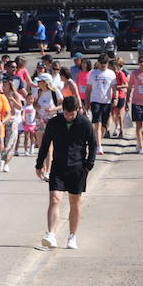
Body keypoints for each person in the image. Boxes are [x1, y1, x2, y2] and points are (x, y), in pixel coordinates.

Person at [36, 96, 97, 250]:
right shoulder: (54, 123)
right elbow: (45, 144)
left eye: (72, 114)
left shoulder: (84, 123)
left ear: (78, 110)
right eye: (66, 113)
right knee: (55, 199)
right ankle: (51, 234)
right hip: (58, 166)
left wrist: (88, 165)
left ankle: (72, 236)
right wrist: (39, 164)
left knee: (74, 202)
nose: (69, 116)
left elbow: (93, 144)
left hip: (78, 168)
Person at [84, 59, 117, 156]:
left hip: (106, 101)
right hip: (95, 101)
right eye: (101, 63)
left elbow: (114, 88)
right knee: (97, 124)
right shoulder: (93, 73)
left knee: (104, 125)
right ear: (98, 63)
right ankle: (99, 146)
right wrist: (87, 102)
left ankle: (98, 141)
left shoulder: (111, 74)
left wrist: (115, 98)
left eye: (105, 63)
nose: (103, 65)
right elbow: (88, 89)